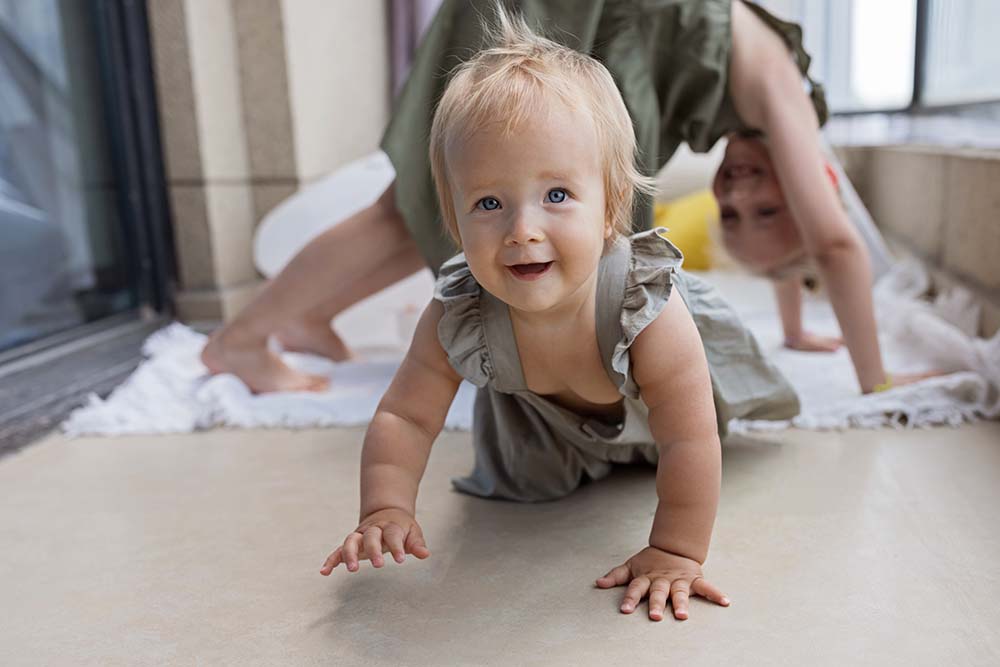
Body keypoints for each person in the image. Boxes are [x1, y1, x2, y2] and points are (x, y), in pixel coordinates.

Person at [315, 10, 810, 621]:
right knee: (526, 487)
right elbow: (405, 416)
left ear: (611, 207)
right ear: (454, 220)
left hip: (659, 409)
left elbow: (689, 436)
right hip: (547, 428)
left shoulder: (643, 301)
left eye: (556, 195)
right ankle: (585, 457)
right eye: (488, 203)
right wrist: (384, 507)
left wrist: (675, 550)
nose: (523, 230)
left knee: (689, 442)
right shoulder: (460, 308)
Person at [201, 0, 898, 395]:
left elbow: (805, 231)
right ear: (818, 186)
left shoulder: (770, 122)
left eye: (735, 215)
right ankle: (240, 341)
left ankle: (303, 315)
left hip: (593, 21)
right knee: (425, 199)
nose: (739, 191)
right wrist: (876, 382)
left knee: (449, 204)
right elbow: (831, 241)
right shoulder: (783, 93)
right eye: (771, 205)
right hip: (570, 13)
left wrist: (795, 327)